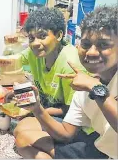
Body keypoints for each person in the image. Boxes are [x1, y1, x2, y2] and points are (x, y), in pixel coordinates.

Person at [15, 6, 118, 159]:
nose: (91, 52)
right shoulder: (83, 86)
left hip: (97, 145)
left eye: (103, 44)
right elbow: (66, 134)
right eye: (86, 44)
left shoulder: (88, 82)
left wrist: (95, 87)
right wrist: (36, 107)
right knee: (23, 141)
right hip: (102, 151)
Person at [12, 7, 87, 136]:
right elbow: (13, 60)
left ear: (58, 35)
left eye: (42, 36)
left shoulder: (69, 63)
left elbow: (71, 111)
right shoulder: (35, 52)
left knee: (22, 131)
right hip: (45, 108)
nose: (35, 43)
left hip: (71, 122)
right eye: (31, 38)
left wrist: (35, 110)